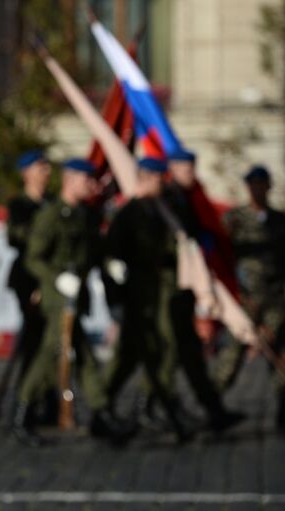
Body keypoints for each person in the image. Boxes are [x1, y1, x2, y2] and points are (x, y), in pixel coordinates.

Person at [14, 158, 125, 445]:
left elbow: (94, 250)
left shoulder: (85, 216)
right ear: (70, 180)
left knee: (85, 354)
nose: (92, 186)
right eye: (87, 180)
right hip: (57, 299)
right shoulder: (50, 216)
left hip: (78, 297)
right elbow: (33, 258)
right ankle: (23, 412)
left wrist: (110, 263)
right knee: (51, 352)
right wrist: (57, 278)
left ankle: (101, 413)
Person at [104, 157, 195, 443]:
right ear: (144, 179)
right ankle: (102, 406)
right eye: (157, 179)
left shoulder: (158, 211)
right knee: (128, 357)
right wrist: (115, 301)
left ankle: (145, 407)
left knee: (157, 350)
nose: (162, 184)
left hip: (153, 294)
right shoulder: (129, 213)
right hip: (133, 297)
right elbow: (110, 256)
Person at [154, 149, 245, 432]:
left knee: (190, 353)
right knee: (168, 353)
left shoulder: (187, 199)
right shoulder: (165, 201)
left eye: (192, 167)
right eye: (184, 168)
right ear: (173, 169)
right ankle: (158, 407)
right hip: (168, 290)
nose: (190, 172)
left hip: (185, 289)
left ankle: (212, 410)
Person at [221, 165, 285, 431]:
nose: (258, 188)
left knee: (278, 351)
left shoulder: (280, 221)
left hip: (275, 299)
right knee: (232, 354)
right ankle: (212, 404)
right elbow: (222, 256)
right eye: (253, 184)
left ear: (269, 187)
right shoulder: (234, 219)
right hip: (245, 298)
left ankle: (283, 409)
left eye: (262, 184)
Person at [7, 150, 53, 426]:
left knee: (50, 342)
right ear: (26, 173)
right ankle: (29, 399)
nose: (45, 171)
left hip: (49, 278)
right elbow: (16, 238)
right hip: (27, 279)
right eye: (39, 167)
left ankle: (45, 398)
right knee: (34, 341)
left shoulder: (51, 203)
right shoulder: (20, 205)